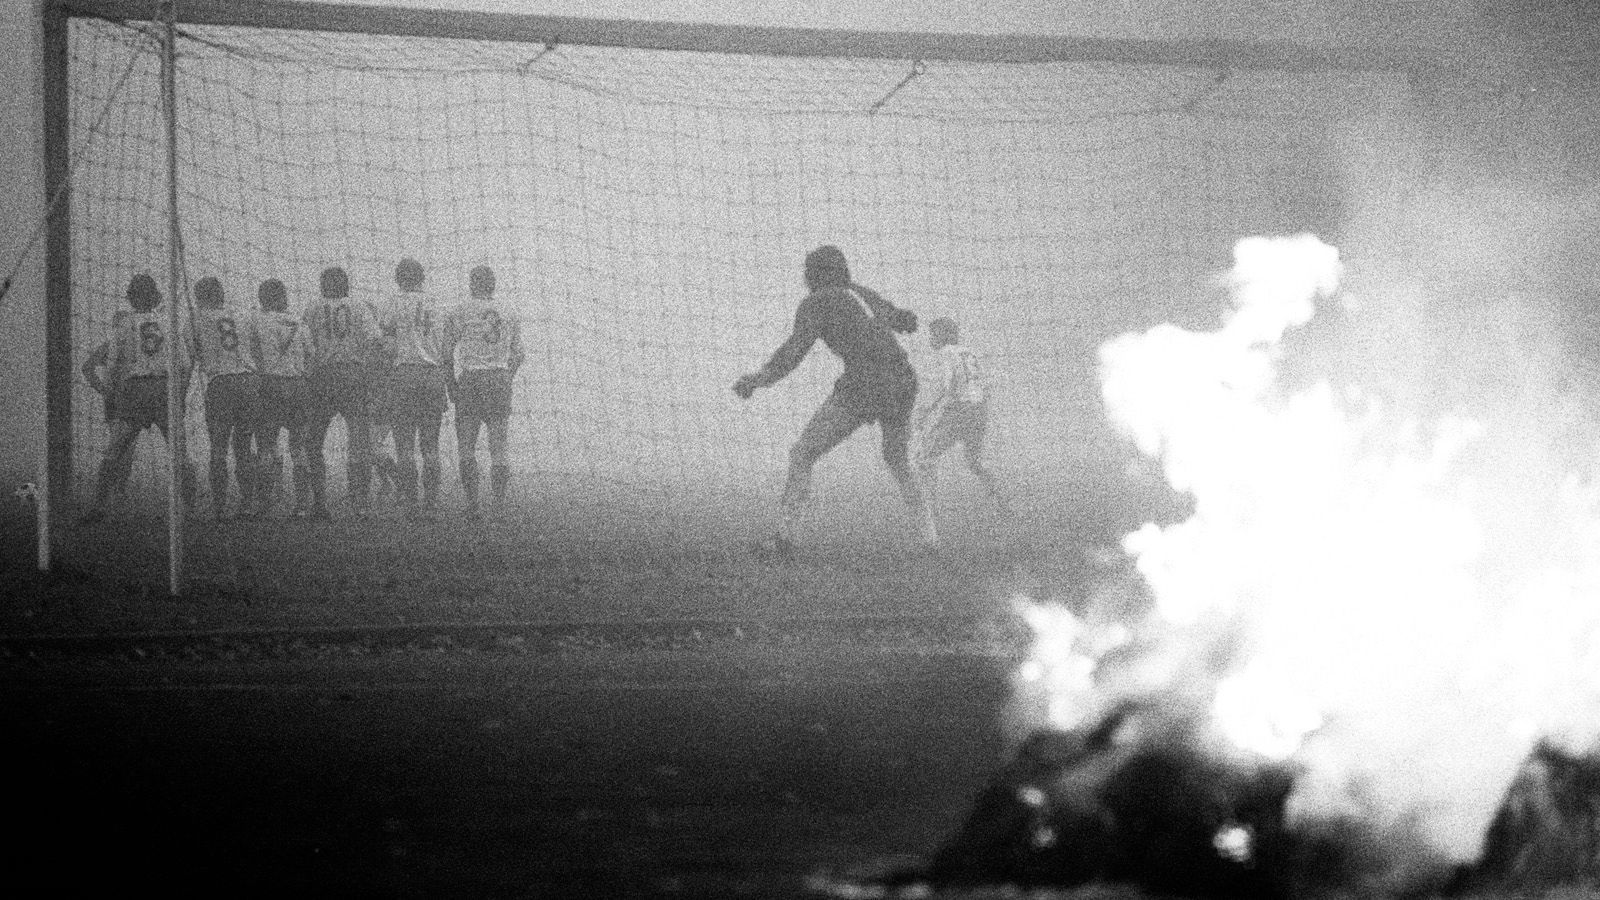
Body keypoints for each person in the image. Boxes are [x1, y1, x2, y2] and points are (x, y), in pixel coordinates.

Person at [732, 244, 937, 555]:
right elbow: (903, 320)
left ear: (817, 274)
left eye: (809, 272)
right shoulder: (862, 293)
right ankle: (929, 539)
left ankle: (783, 539)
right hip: (903, 381)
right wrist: (904, 319)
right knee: (897, 459)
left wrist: (757, 380)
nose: (806, 277)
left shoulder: (817, 302)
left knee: (802, 453)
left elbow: (794, 352)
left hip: (865, 385)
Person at [78, 272, 197, 524]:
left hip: (135, 391)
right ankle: (190, 510)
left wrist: (112, 392)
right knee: (179, 451)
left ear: (131, 298)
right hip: (164, 389)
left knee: (115, 449)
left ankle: (99, 505)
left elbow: (111, 365)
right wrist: (181, 396)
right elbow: (185, 366)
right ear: (155, 296)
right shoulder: (170, 322)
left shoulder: (125, 325)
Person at [301, 265, 381, 520]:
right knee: (359, 440)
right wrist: (368, 371)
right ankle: (360, 506)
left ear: (323, 286)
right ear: (346, 285)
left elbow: (305, 345)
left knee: (313, 441)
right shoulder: (360, 307)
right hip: (353, 375)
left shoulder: (312, 308)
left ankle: (320, 503)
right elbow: (375, 342)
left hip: (324, 376)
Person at [444, 265, 524, 518]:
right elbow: (519, 354)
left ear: (471, 284)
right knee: (499, 448)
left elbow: (446, 352)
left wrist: (451, 384)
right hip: (498, 379)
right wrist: (507, 377)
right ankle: (499, 507)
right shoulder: (509, 311)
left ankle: (472, 506)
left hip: (472, 380)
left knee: (466, 446)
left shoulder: (460, 310)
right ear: (494, 284)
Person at [379, 258, 451, 519]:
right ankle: (431, 505)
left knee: (405, 446)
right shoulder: (438, 305)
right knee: (430, 445)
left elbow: (386, 345)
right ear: (422, 278)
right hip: (432, 376)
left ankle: (410, 504)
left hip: (405, 375)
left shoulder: (392, 303)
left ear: (398, 280)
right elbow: (446, 347)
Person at [914, 316, 1008, 515]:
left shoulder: (945, 353)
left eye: (933, 335)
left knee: (924, 457)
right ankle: (1003, 502)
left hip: (959, 412)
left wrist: (924, 412)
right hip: (978, 412)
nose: (930, 339)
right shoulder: (970, 353)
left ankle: (927, 511)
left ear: (942, 336)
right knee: (975, 462)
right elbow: (984, 384)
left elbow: (946, 386)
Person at [191, 276, 262, 519]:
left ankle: (219, 507)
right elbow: (256, 349)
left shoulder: (196, 318)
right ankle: (248, 504)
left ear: (200, 298)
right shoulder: (243, 316)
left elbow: (189, 357)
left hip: (221, 384)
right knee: (243, 447)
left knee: (219, 448)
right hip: (248, 382)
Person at [252, 277, 310, 517]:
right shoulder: (300, 324)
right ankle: (303, 506)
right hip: (297, 386)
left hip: (271, 385)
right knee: (298, 447)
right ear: (284, 297)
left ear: (263, 299)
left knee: (266, 446)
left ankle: (265, 505)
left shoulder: (258, 322)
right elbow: (310, 357)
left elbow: (253, 355)